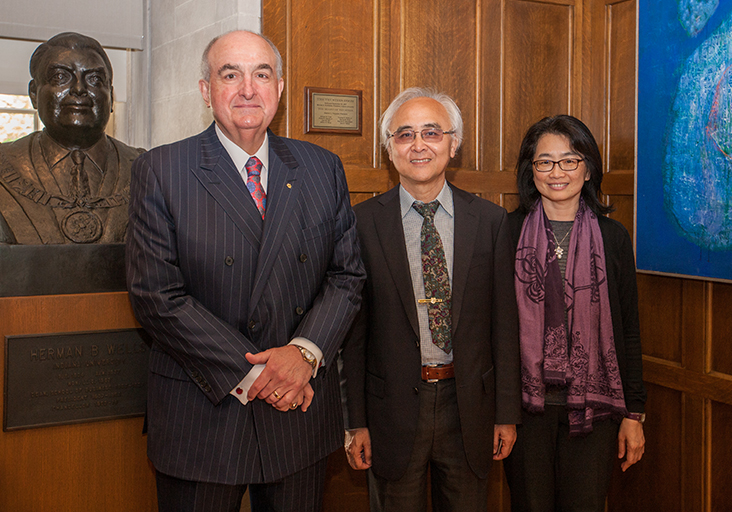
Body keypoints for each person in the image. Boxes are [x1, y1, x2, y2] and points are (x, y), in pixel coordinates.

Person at [125, 30, 364, 512]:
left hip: (297, 410)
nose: (247, 89)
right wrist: (257, 374)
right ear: (205, 89)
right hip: (203, 411)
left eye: (261, 74)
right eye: (230, 74)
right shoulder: (162, 170)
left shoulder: (322, 168)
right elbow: (157, 295)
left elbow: (347, 277)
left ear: (279, 86)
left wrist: (303, 355)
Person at [341, 87, 521, 512]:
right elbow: (352, 332)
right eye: (404, 135)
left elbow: (505, 325)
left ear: (453, 144)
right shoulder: (360, 223)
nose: (418, 145)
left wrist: (506, 412)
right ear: (389, 149)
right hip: (392, 414)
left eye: (431, 133)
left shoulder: (491, 221)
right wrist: (355, 422)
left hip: (471, 410)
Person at [503, 115, 646, 512]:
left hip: (595, 412)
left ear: (588, 169)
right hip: (524, 410)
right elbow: (493, 329)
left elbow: (629, 331)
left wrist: (634, 414)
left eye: (569, 160)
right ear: (530, 171)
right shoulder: (506, 232)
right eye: (544, 162)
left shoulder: (613, 237)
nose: (557, 172)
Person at [0, 32, 143, 244]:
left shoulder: (147, 169)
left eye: (95, 79)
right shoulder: (5, 164)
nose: (79, 89)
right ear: (33, 94)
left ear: (111, 97)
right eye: (60, 77)